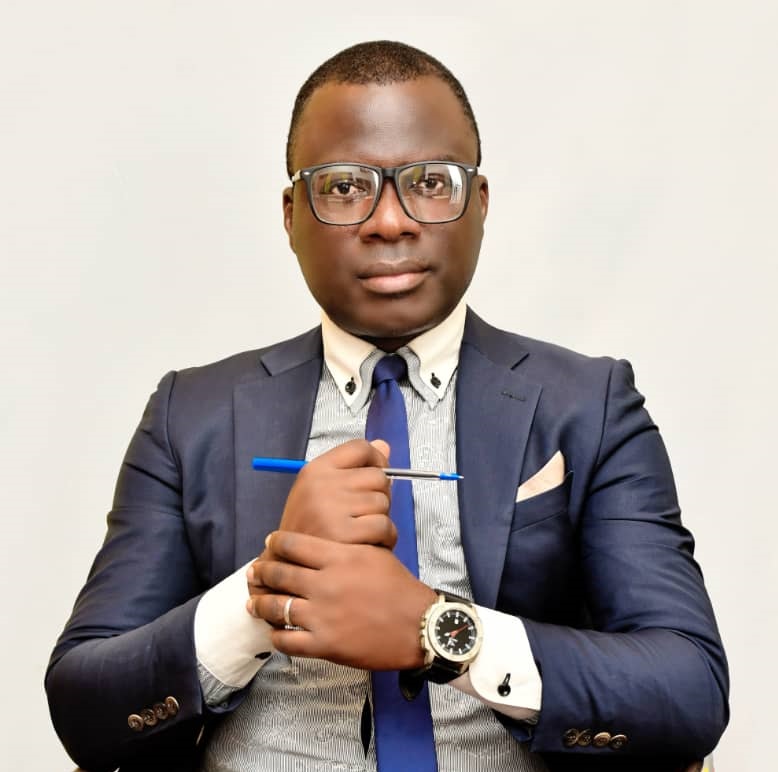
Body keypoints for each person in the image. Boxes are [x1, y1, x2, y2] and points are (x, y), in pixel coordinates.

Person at [46, 40, 729, 772]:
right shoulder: (192, 415)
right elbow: (85, 705)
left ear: (480, 202)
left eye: (430, 182)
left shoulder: (588, 404)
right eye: (344, 188)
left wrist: (438, 632)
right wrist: (268, 591)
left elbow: (688, 687)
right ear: (291, 215)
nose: (391, 221)